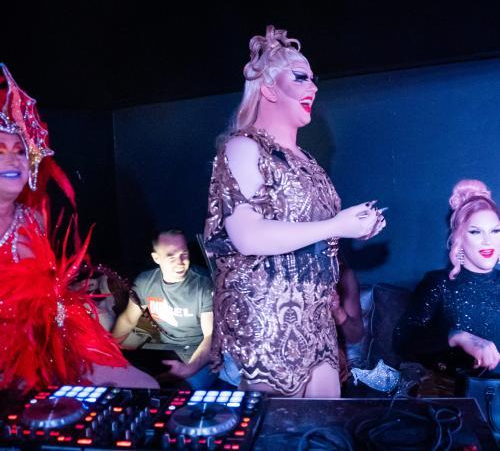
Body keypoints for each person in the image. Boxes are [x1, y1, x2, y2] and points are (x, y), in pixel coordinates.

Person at [204, 25, 386, 397]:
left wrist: (356, 226)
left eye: (313, 79)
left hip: (316, 321)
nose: (313, 87)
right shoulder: (243, 148)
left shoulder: (309, 162)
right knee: (279, 426)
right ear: (269, 88)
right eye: (300, 77)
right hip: (265, 322)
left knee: (326, 423)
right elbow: (248, 235)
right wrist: (336, 225)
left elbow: (318, 233)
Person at [0, 63, 158, 391]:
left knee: (145, 387)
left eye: (19, 150)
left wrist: (70, 312)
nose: (12, 160)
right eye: (0, 152)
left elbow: (46, 299)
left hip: (50, 346)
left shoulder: (32, 218)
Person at [394, 179, 500, 374]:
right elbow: (402, 339)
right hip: (455, 389)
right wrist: (458, 336)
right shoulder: (439, 283)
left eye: (495, 230)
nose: (488, 241)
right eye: (475, 232)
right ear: (459, 238)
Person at [112, 230, 215, 388]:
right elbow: (128, 319)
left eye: (184, 254)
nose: (180, 262)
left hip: (200, 353)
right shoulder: (145, 282)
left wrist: (188, 369)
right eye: (171, 256)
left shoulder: (204, 284)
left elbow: (211, 336)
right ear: (156, 258)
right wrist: (107, 350)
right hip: (166, 349)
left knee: (180, 391)